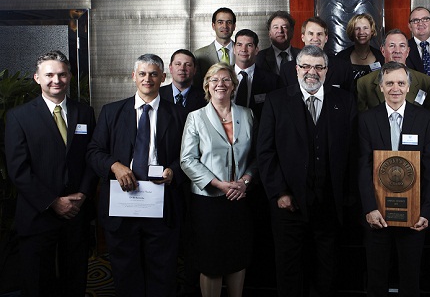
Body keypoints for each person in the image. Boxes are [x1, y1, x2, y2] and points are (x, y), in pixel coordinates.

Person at [257, 45, 357, 297]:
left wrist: (346, 196)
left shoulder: (344, 101)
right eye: (306, 66)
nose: (311, 72)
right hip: (288, 203)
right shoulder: (276, 100)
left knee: (327, 270)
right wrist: (279, 192)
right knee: (290, 271)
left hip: (329, 204)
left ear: (326, 71)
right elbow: (265, 152)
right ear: (296, 69)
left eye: (318, 67)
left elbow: (353, 152)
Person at [87, 54, 185, 296]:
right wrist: (114, 165)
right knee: (125, 272)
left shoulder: (180, 114)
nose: (147, 79)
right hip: (122, 206)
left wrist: (173, 170)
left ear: (163, 77)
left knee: (162, 273)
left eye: (153, 74)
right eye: (142, 73)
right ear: (133, 77)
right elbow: (93, 151)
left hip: (162, 204)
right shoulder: (112, 112)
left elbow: (189, 156)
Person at [5, 50, 97, 297]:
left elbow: (92, 157)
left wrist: (83, 195)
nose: (56, 80)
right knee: (37, 282)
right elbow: (18, 169)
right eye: (49, 75)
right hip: (38, 213)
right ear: (37, 78)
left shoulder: (85, 113)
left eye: (62, 74)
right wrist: (53, 202)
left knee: (75, 279)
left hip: (76, 212)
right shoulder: (18, 116)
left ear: (69, 77)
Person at [358, 61, 430, 297]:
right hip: (377, 215)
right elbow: (361, 168)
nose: (395, 88)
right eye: (389, 83)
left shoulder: (426, 119)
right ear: (381, 87)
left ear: (408, 87)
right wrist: (370, 208)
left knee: (411, 279)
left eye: (401, 83)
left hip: (413, 216)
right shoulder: (366, 120)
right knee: (376, 279)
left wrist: (425, 211)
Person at [180, 62, 256, 297]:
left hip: (240, 198)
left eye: (225, 79)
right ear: (207, 85)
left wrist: (245, 181)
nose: (220, 84)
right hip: (208, 201)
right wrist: (218, 184)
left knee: (237, 258)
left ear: (233, 85)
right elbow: (187, 160)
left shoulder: (247, 113)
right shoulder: (195, 117)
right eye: (214, 80)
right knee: (211, 263)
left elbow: (257, 156)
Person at [357, 29, 430, 112]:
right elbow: (363, 121)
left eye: (402, 46)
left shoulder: (426, 82)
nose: (397, 51)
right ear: (383, 50)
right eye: (392, 46)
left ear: (408, 51)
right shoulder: (364, 83)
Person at [279, 17, 355, 93]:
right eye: (311, 34)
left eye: (319, 34)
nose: (315, 39)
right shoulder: (287, 70)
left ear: (326, 38)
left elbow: (349, 100)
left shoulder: (343, 68)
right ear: (303, 37)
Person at [233, 28, 282, 121]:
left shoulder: (272, 81)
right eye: (239, 45)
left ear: (256, 50)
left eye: (249, 45)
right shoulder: (221, 77)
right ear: (234, 49)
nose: (244, 49)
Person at [194, 7, 237, 85]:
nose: (225, 26)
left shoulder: (243, 52)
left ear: (234, 26)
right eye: (220, 22)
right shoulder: (199, 55)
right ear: (213, 26)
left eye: (229, 22)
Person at [336, 13, 385, 80]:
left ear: (372, 31)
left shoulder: (381, 57)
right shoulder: (341, 58)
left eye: (365, 28)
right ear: (352, 32)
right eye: (357, 29)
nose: (361, 32)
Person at [159, 49, 207, 113]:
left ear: (195, 70)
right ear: (170, 68)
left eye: (188, 65)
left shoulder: (205, 98)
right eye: (178, 64)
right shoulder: (157, 94)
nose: (182, 68)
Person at [256, 10, 300, 75]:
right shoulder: (259, 58)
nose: (280, 31)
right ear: (269, 33)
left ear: (292, 32)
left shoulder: (302, 55)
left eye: (284, 27)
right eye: (275, 27)